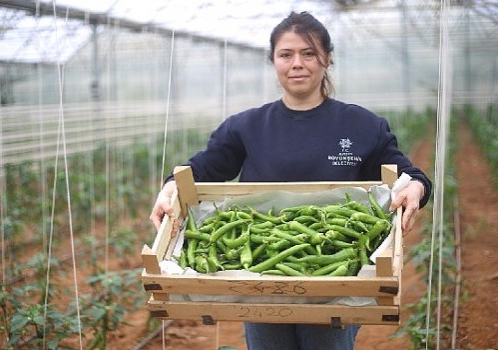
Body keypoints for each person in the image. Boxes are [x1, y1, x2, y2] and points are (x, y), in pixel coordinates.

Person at [149, 10, 432, 350]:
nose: (297, 63)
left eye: (308, 53)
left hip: (338, 267)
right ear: (273, 62)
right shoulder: (246, 126)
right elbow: (203, 169)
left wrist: (415, 187)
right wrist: (169, 188)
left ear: (327, 59)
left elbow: (407, 174)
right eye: (286, 54)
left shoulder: (362, 125)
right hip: (261, 271)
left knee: (324, 342)